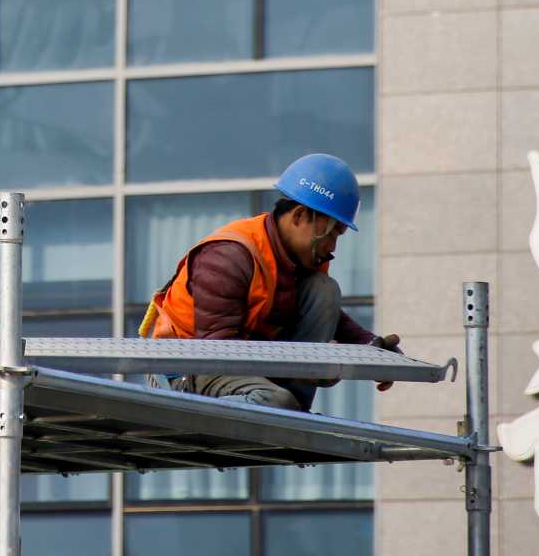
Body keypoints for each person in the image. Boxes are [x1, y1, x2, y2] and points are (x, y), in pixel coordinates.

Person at [139, 153, 402, 412]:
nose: (332, 246)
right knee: (276, 403)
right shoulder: (228, 257)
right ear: (299, 216)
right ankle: (211, 414)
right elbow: (218, 352)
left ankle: (291, 407)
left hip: (239, 364)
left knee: (324, 290)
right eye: (329, 233)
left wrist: (369, 348)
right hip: (189, 371)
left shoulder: (298, 258)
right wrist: (310, 366)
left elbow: (327, 316)